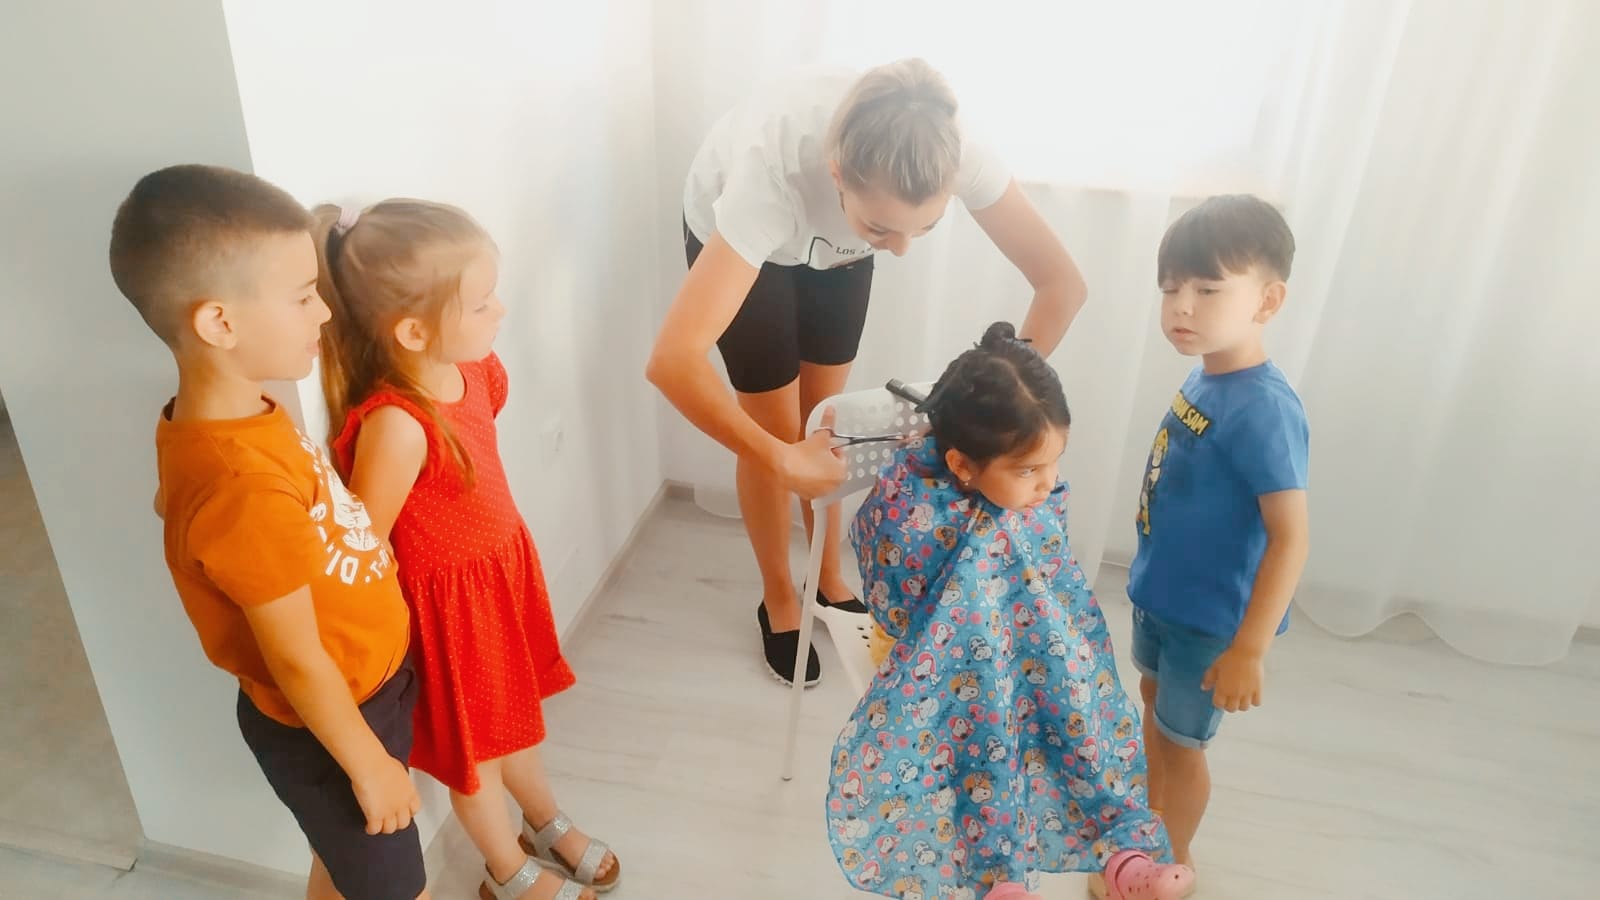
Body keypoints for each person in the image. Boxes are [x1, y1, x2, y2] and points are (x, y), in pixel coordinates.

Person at [646, 58, 1089, 687]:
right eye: (885, 228)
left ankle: (827, 580)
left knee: (824, 418)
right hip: (749, 241)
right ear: (836, 176)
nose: (903, 249)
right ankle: (779, 596)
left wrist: (995, 404)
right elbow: (671, 361)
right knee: (773, 426)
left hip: (835, 243)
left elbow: (1061, 285)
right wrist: (777, 458)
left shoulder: (954, 152)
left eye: (924, 228)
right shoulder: (768, 178)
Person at [110, 165, 430, 900]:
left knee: (348, 868)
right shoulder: (238, 478)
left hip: (361, 701)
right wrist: (368, 765)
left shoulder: (238, 415)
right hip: (332, 727)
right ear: (219, 322)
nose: (323, 313)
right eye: (302, 296)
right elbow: (295, 658)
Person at [826, 323, 1194, 900]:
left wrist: (1035, 640)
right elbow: (897, 606)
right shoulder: (913, 504)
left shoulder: (1025, 495)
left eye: (1054, 463)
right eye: (1028, 470)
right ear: (963, 466)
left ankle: (1124, 853)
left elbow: (1049, 582)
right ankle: (998, 878)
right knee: (989, 720)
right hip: (930, 659)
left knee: (1075, 708)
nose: (1048, 484)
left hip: (1029, 648)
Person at [317, 200, 619, 900]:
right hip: (452, 613)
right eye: (481, 303)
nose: (501, 311)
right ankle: (506, 870)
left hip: (499, 576)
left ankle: (541, 819)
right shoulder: (396, 426)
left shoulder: (475, 370)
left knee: (517, 724)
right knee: (475, 755)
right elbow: (366, 546)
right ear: (415, 329)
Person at [1127, 195, 1311, 886]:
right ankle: (1145, 828)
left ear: (1267, 301)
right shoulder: (1207, 376)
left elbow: (1291, 537)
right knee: (1154, 711)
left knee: (1183, 748)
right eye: (1171, 287)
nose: (1182, 306)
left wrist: (1250, 649)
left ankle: (1167, 862)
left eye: (1207, 289)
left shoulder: (1264, 408)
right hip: (1164, 600)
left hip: (1212, 625)